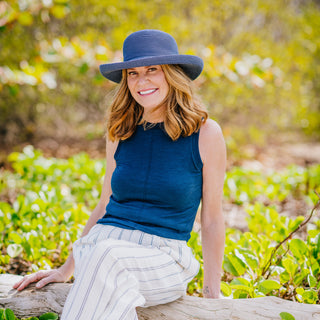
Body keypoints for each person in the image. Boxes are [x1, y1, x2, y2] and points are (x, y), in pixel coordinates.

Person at [13, 29, 226, 319]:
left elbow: (212, 218)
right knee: (107, 260)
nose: (142, 80)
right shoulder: (119, 130)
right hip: (101, 247)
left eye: (153, 70)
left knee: (107, 258)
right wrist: (66, 270)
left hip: (164, 258)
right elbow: (105, 204)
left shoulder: (205, 133)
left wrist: (212, 293)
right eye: (133, 73)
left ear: (172, 74)